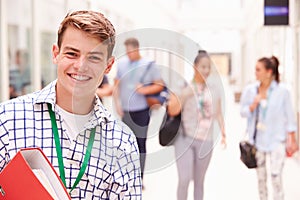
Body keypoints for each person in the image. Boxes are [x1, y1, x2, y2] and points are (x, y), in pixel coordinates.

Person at [0, 10, 142, 199]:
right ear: (55, 54)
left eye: (94, 57)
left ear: (108, 65)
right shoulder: (7, 120)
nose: (81, 66)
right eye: (72, 54)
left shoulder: (122, 142)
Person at [167, 50, 226, 200]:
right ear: (194, 67)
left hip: (206, 139)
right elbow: (172, 110)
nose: (206, 71)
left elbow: (218, 112)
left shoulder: (214, 88)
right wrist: (185, 93)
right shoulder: (183, 85)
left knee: (199, 182)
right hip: (184, 138)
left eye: (208, 67)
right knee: (184, 179)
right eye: (202, 67)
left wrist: (223, 133)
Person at [240, 56, 298, 200]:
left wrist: (292, 139)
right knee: (261, 179)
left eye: (258, 69)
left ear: (269, 71)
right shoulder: (250, 90)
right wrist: (253, 104)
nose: (256, 73)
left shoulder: (283, 92)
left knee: (276, 177)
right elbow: (243, 111)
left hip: (277, 140)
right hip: (258, 141)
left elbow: (290, 118)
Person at [113, 37, 165, 182]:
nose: (129, 54)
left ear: (137, 49)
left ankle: (139, 178)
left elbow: (160, 85)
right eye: (127, 52)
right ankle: (127, 177)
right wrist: (117, 104)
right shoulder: (122, 64)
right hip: (126, 111)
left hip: (142, 110)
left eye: (131, 51)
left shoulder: (148, 64)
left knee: (140, 143)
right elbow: (116, 85)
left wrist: (145, 89)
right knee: (125, 145)